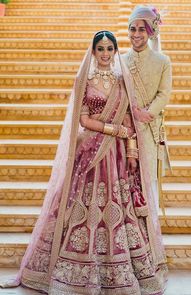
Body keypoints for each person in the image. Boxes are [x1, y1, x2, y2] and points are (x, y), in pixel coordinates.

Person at [0, 31, 167, 294]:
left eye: (109, 49)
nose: (105, 54)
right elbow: (84, 120)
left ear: (114, 51)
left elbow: (127, 119)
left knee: (119, 208)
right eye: (100, 49)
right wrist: (114, 131)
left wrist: (131, 148)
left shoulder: (122, 81)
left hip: (117, 156)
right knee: (81, 205)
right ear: (93, 51)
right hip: (90, 152)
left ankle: (117, 268)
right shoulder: (84, 81)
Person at [122, 5, 172, 212]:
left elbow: (164, 94)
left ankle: (152, 231)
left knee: (149, 178)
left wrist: (147, 113)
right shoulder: (121, 61)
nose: (136, 34)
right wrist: (132, 113)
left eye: (141, 29)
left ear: (150, 31)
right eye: (133, 29)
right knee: (126, 180)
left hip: (150, 130)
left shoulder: (162, 61)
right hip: (126, 130)